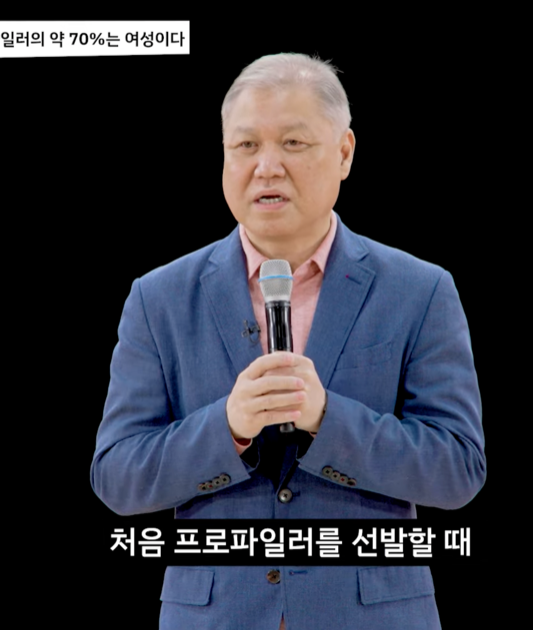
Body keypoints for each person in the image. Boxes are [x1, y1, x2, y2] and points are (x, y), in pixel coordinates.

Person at [91, 53, 485, 630]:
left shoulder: (419, 290)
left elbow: (458, 467)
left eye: (293, 143)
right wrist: (227, 427)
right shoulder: (160, 298)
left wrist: (328, 419)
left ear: (345, 152)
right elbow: (117, 475)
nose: (267, 166)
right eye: (246, 145)